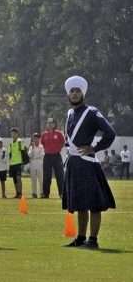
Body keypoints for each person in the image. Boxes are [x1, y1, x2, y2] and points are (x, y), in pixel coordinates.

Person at [62, 76, 116, 249]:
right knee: (79, 204)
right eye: (72, 91)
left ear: (83, 93)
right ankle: (81, 237)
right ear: (68, 95)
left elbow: (110, 133)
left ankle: (92, 240)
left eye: (78, 91)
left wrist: (95, 148)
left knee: (94, 204)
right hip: (73, 164)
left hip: (87, 163)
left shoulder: (92, 112)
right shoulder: (70, 114)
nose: (75, 94)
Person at [41, 118, 65, 198]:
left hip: (56, 156)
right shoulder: (44, 134)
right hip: (47, 156)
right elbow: (43, 144)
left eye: (51, 123)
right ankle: (45, 194)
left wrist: (58, 149)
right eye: (48, 123)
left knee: (60, 175)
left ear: (54, 124)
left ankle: (61, 193)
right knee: (46, 176)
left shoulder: (59, 133)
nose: (50, 124)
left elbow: (63, 142)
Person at [7, 128, 26, 198]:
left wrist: (23, 163)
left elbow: (23, 152)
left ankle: (20, 193)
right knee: (14, 179)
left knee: (18, 178)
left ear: (17, 134)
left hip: (18, 163)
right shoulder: (10, 144)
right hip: (12, 164)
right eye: (12, 133)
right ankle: (17, 193)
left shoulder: (20, 142)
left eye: (14, 133)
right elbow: (10, 154)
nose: (13, 135)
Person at [28, 133, 45, 198]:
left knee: (41, 179)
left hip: (40, 163)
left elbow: (42, 155)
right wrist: (32, 148)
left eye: (37, 138)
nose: (36, 139)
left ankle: (41, 192)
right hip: (32, 164)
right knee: (33, 179)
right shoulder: (31, 147)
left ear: (39, 139)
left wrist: (35, 156)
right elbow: (30, 155)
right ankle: (34, 193)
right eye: (34, 138)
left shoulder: (41, 146)